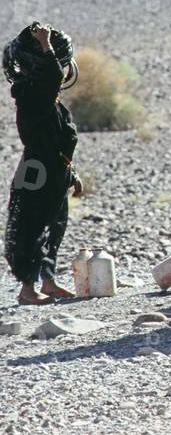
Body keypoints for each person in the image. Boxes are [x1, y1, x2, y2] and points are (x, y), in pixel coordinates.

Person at [3, 23, 84, 305]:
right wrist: (46, 43)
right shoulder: (35, 93)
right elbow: (52, 74)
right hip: (38, 170)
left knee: (54, 223)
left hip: (53, 170)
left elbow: (60, 140)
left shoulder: (43, 96)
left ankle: (48, 282)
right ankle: (27, 288)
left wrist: (70, 174)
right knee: (32, 225)